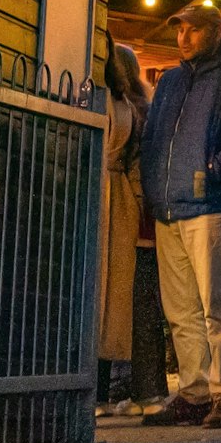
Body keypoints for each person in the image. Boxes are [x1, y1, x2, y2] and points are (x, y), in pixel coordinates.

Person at [139, 4, 221, 430]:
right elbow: (154, 135)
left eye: (193, 30)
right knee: (181, 309)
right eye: (181, 30)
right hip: (171, 204)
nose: (184, 38)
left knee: (216, 305)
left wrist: (215, 171)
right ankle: (195, 391)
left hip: (211, 204)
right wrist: (155, 186)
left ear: (216, 32)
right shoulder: (173, 80)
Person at [96, 42, 146, 415]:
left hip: (120, 200)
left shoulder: (126, 106)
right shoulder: (100, 99)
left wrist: (140, 200)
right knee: (97, 292)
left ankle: (110, 391)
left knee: (117, 296)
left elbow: (132, 159)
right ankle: (99, 390)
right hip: (98, 195)